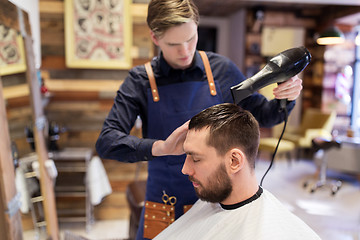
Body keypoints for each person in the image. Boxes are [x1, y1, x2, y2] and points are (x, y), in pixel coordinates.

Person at [95, 0, 303, 239]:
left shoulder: (222, 70)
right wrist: (160, 147)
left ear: (196, 27)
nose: (185, 51)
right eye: (174, 44)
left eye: (191, 39)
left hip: (217, 203)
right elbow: (107, 142)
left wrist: (286, 97)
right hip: (164, 201)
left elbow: (267, 115)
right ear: (155, 38)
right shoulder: (140, 81)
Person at [154, 103, 321, 240]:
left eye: (196, 158)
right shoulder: (212, 199)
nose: (185, 169)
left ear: (234, 161)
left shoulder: (268, 232)